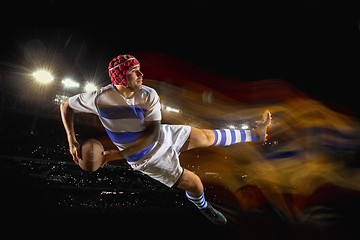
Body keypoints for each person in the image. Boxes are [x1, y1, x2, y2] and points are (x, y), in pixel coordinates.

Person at [60, 54, 271, 225]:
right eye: (134, 72)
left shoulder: (148, 95)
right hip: (149, 158)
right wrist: (72, 140)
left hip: (158, 135)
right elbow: (65, 106)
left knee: (208, 136)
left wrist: (117, 155)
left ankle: (255, 135)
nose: (142, 74)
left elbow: (151, 134)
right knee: (196, 184)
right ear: (121, 78)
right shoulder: (98, 99)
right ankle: (204, 207)